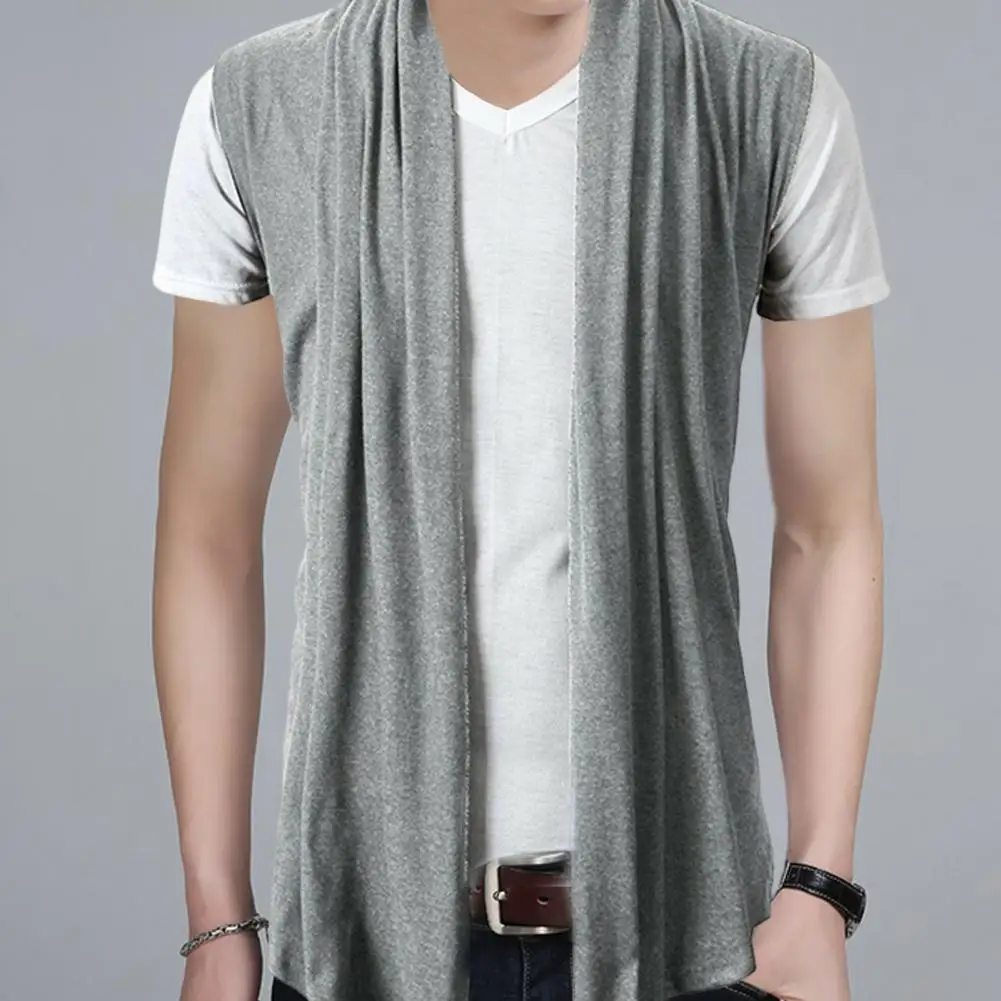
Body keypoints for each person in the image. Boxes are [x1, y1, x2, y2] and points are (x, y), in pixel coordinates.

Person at [150, 1, 889, 1000]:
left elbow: (826, 527)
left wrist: (817, 886)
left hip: (688, 937)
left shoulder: (764, 98)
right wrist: (217, 919)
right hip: (360, 940)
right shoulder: (259, 103)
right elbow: (208, 534)